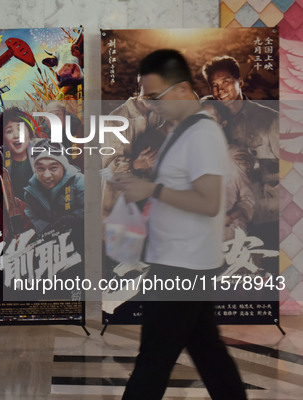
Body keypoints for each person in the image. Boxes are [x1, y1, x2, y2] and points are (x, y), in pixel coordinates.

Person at [112, 49, 247, 400]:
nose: (152, 104)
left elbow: (208, 201)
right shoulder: (180, 131)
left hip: (182, 268)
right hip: (184, 262)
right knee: (208, 353)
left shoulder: (201, 134)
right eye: (147, 97)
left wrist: (151, 188)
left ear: (184, 89)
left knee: (154, 361)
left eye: (156, 96)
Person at [202, 56, 279, 235]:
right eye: (214, 85)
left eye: (226, 82)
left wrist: (257, 166)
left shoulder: (269, 120)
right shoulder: (210, 118)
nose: (220, 89)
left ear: (240, 82)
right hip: (226, 221)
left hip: (264, 218)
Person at [23, 139, 84, 237]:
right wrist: (47, 229)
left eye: (53, 168)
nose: (46, 175)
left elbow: (91, 209)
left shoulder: (79, 181)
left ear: (63, 167)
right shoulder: (31, 191)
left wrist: (72, 218)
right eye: (41, 168)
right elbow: (31, 215)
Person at [0, 107, 35, 200]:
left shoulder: (45, 154)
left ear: (29, 132)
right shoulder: (0, 166)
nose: (16, 135)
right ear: (3, 139)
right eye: (9, 131)